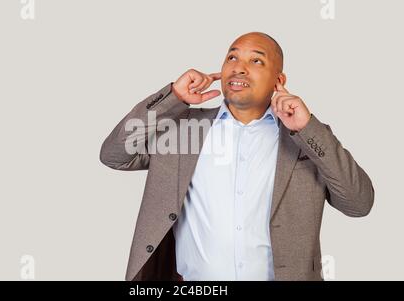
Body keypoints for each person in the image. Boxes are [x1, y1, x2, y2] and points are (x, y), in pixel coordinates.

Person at [100, 32, 374, 281]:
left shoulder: (308, 138)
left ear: (279, 81)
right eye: (232, 56)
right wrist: (172, 98)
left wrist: (307, 127)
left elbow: (359, 203)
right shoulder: (182, 129)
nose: (239, 67)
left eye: (256, 61)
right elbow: (114, 155)